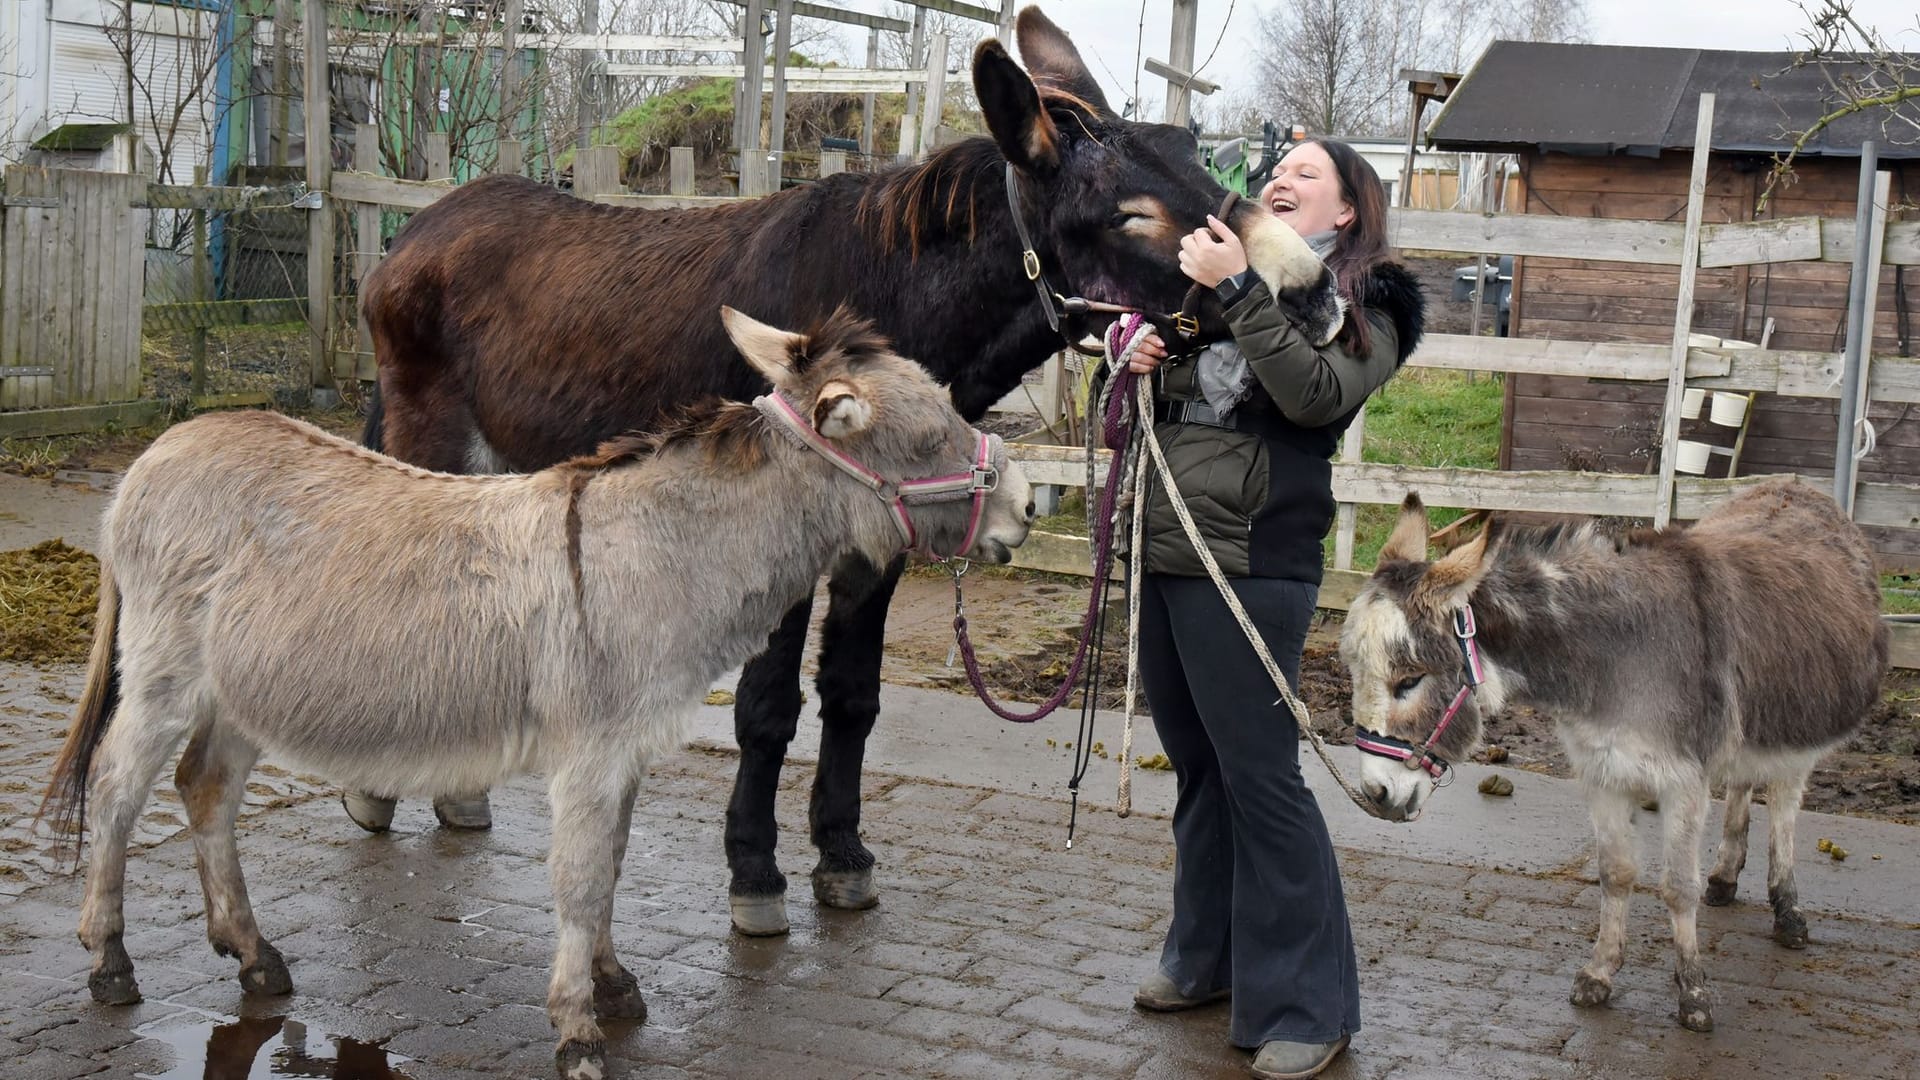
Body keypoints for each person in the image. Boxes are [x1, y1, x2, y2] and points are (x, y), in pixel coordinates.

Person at [1120, 137, 1424, 1080]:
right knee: (1202, 767)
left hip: (1253, 556)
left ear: (1346, 212)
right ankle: (1205, 958)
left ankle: (1308, 1004)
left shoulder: (1370, 304)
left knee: (1261, 777)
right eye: (1278, 167)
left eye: (1309, 171)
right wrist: (1140, 351)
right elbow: (1191, 397)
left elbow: (1310, 395)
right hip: (1168, 543)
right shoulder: (1216, 278)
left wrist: (1241, 287)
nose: (1282, 178)